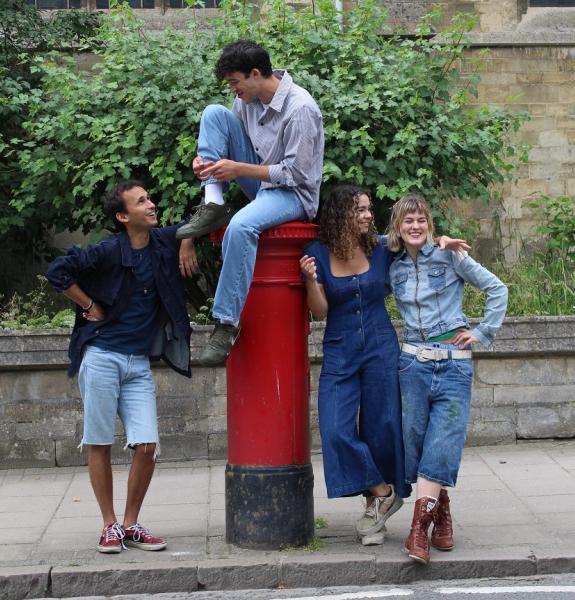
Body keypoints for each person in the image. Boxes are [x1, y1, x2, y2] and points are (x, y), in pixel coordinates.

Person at [46, 181, 197, 554]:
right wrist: (87, 305)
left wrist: (188, 241)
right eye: (141, 201)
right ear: (123, 216)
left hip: (137, 363)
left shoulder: (163, 241)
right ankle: (109, 525)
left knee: (146, 446)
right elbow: (58, 271)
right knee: (99, 442)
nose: (151, 204)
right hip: (101, 357)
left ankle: (131, 524)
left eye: (149, 197)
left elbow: (202, 219)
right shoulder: (108, 251)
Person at [176, 40, 324, 366]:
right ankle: (213, 204)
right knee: (213, 113)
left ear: (255, 73)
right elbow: (227, 142)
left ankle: (227, 323)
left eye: (234, 81)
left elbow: (295, 174)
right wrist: (207, 163)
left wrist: (237, 169)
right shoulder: (246, 100)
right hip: (261, 185)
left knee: (242, 226)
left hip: (293, 194)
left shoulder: (300, 109)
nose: (233, 89)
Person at [386, 193, 508, 565]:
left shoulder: (450, 255)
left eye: (422, 219)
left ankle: (417, 531)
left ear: (430, 223)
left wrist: (482, 333)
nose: (416, 226)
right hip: (412, 366)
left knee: (443, 445)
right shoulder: (391, 265)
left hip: (453, 365)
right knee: (416, 446)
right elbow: (365, 244)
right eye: (408, 221)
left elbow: (497, 289)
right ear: (398, 226)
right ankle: (443, 510)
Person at [299, 185, 411, 545]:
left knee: (383, 426)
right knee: (335, 428)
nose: (366, 215)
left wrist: (445, 244)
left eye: (368, 209)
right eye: (359, 210)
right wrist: (310, 281)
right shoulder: (316, 254)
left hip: (380, 345)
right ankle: (382, 490)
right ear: (340, 215)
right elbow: (319, 311)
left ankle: (373, 513)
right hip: (339, 348)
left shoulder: (381, 248)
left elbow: (417, 241)